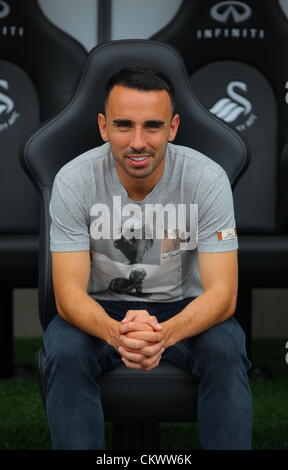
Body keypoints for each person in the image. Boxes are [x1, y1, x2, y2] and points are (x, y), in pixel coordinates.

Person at [44, 66, 253, 450]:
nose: (138, 142)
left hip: (184, 307)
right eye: (124, 125)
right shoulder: (74, 180)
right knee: (64, 346)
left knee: (226, 346)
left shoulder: (207, 178)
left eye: (152, 126)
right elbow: (67, 295)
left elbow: (223, 294)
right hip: (100, 307)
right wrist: (117, 333)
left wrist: (162, 335)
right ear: (103, 126)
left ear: (172, 128)